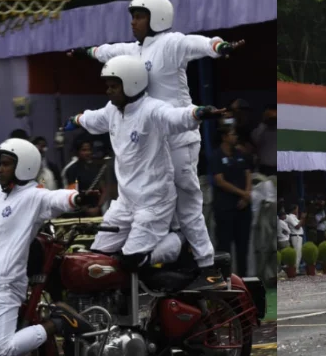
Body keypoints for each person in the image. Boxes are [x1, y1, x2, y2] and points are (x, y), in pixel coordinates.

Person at [73, 0, 244, 274]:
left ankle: (206, 264)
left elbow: (196, 43)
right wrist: (86, 52)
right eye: (132, 17)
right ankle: (172, 258)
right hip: (153, 139)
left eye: (139, 16)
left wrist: (218, 46)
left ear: (158, 18)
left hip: (180, 137)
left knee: (187, 205)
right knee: (157, 200)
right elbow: (107, 51)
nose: (133, 22)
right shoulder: (133, 51)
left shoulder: (171, 43)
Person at [67, 56, 226, 285]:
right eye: (108, 86)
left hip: (154, 202)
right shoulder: (113, 110)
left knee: (131, 260)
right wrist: (77, 119)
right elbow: (95, 118)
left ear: (131, 83)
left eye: (114, 86)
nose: (108, 91)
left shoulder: (151, 109)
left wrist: (196, 113)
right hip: (125, 203)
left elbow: (174, 117)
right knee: (97, 258)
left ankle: (179, 240)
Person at [0, 139, 101, 356]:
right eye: (0, 163)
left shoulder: (33, 197)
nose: (0, 169)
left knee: (0, 350)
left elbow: (57, 198)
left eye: (6, 164)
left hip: (3, 286)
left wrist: (78, 198)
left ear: (24, 166)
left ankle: (58, 323)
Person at [209, 125, 253, 274]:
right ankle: (224, 279)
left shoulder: (240, 154)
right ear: (224, 137)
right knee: (224, 247)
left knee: (243, 247)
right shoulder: (216, 156)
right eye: (232, 134)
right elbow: (220, 181)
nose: (236, 137)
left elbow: (248, 173)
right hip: (225, 208)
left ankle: (243, 279)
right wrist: (242, 193)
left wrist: (247, 194)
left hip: (243, 208)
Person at [62, 139, 106, 217]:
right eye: (84, 150)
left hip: (97, 209)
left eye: (89, 150)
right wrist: (85, 209)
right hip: (79, 212)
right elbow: (72, 193)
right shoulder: (72, 170)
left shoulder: (97, 168)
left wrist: (98, 207)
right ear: (77, 152)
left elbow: (104, 189)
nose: (88, 153)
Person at [253, 104, 277, 176]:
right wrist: (264, 121)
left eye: (274, 117)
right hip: (264, 168)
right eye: (269, 116)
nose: (272, 119)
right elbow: (255, 140)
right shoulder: (260, 131)